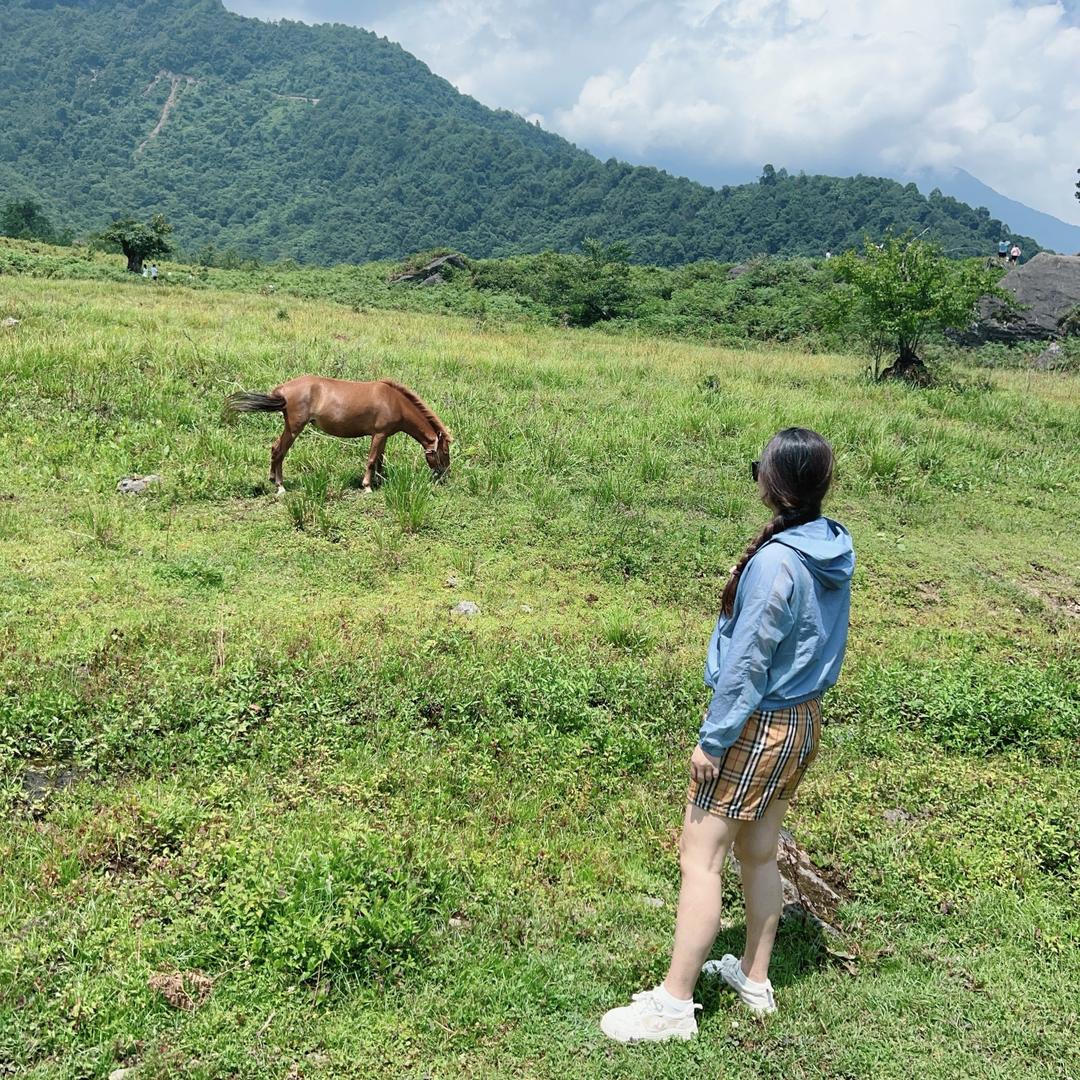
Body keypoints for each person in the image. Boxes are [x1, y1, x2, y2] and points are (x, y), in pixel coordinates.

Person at [600, 428, 855, 1043]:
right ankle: (753, 976)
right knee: (759, 851)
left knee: (701, 857)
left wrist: (713, 740)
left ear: (773, 485)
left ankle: (674, 1004)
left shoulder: (776, 561)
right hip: (803, 719)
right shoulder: (832, 543)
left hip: (759, 724)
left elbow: (745, 665)